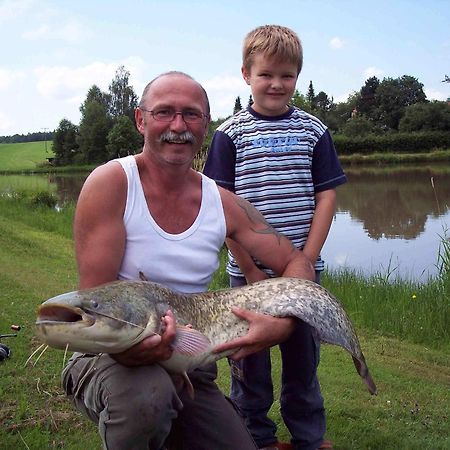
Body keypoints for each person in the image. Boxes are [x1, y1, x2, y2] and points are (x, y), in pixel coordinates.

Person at [61, 70, 317, 450]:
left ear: (206, 124)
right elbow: (98, 307)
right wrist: (136, 351)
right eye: (164, 112)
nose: (178, 126)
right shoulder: (111, 184)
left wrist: (282, 324)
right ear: (140, 119)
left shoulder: (223, 202)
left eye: (191, 114)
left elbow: (297, 263)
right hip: (107, 354)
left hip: (188, 362)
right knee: (146, 398)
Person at [203, 25, 347, 450]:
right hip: (246, 277)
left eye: (287, 75)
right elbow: (221, 209)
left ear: (297, 77)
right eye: (266, 74)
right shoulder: (229, 135)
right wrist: (249, 268)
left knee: (303, 365)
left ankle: (308, 440)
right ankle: (257, 440)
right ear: (246, 74)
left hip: (302, 274)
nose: (277, 84)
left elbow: (327, 195)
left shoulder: (314, 130)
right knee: (249, 367)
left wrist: (307, 258)